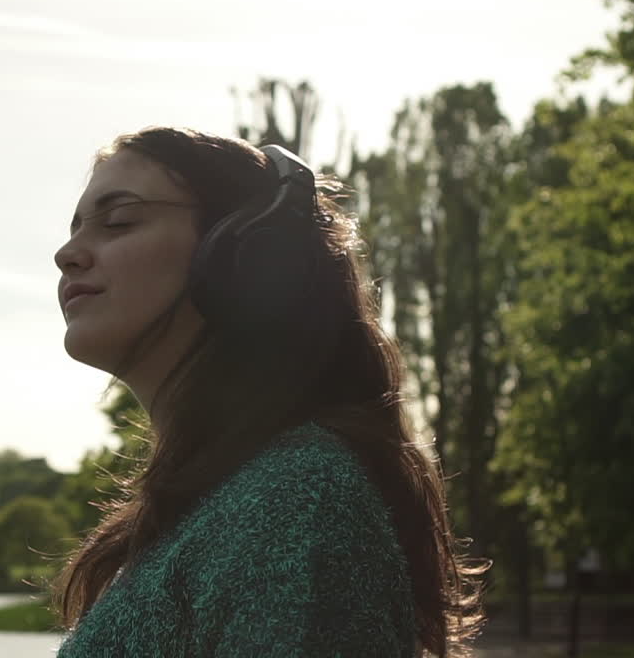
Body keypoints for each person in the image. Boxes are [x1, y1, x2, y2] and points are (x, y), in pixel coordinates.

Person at [51, 126, 488, 657]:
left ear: (243, 256)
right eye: (75, 228)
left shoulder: (298, 499)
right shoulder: (218, 502)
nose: (67, 254)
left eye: (118, 221)